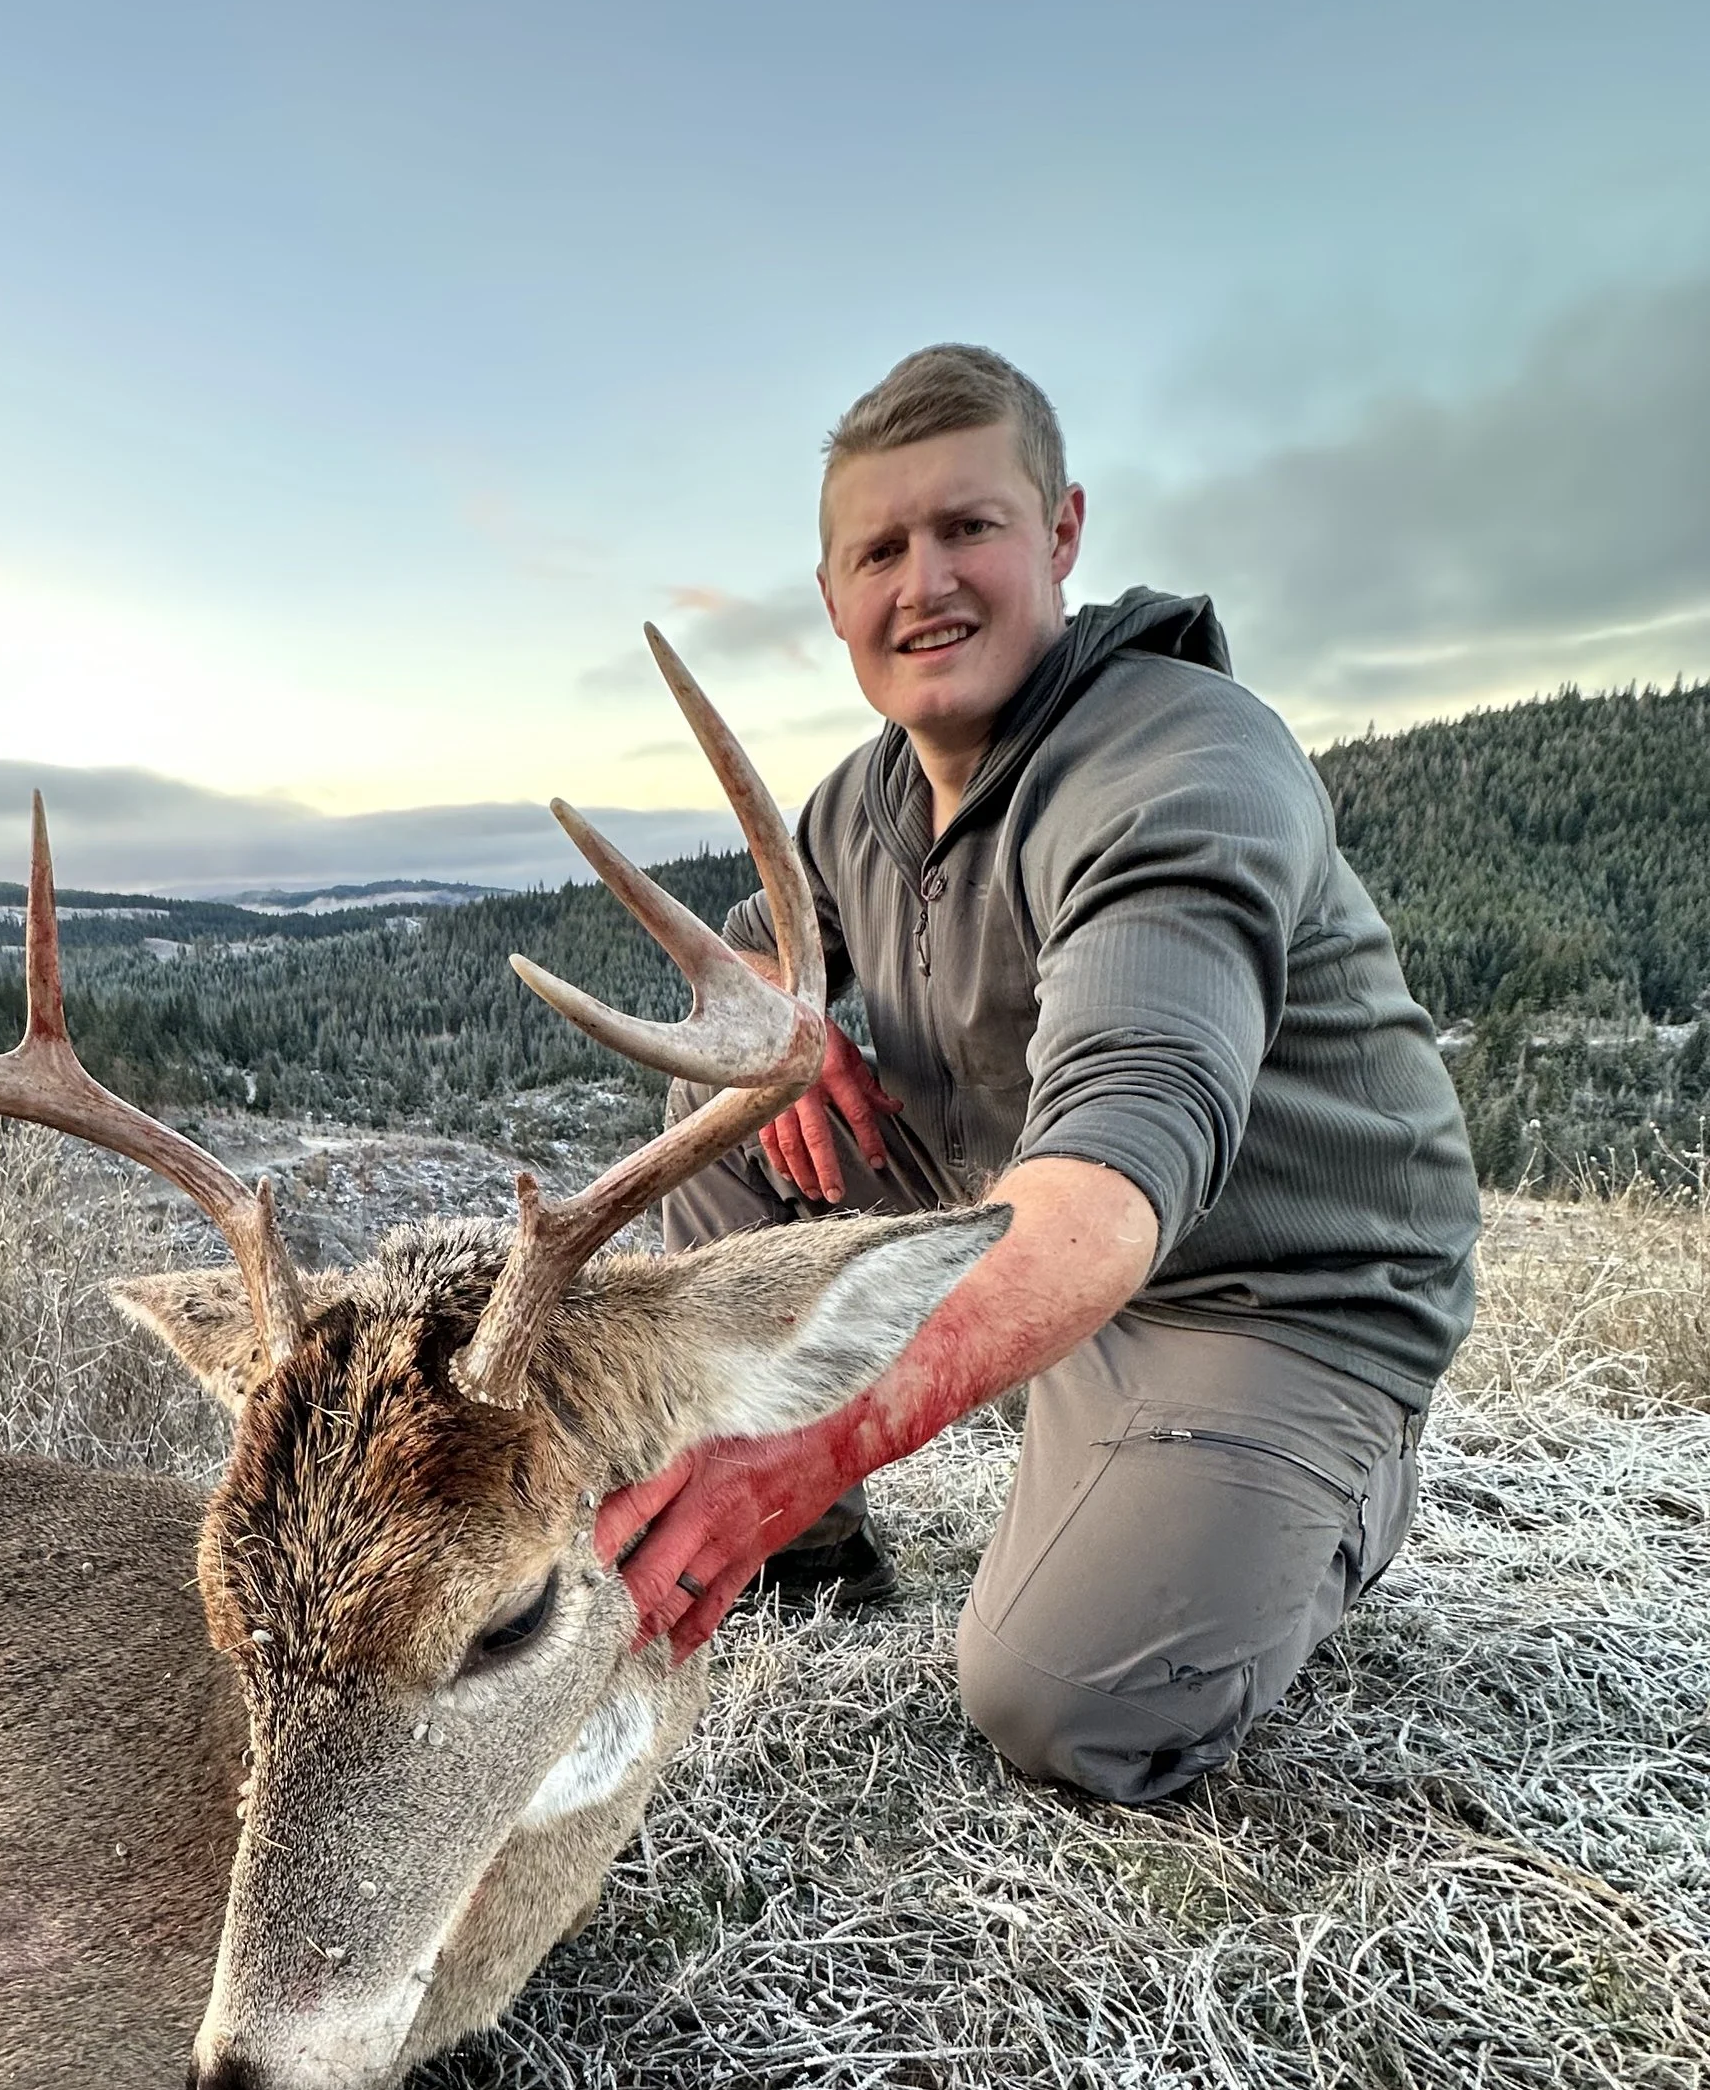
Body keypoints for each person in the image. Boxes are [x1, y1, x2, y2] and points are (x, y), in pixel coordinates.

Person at [600, 344, 1480, 1804]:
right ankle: (808, 1557)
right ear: (832, 599)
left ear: (1061, 533)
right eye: (879, 549)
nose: (922, 583)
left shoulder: (1180, 767)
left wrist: (812, 1440)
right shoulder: (863, 802)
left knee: (1067, 1702)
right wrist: (788, 1014)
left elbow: (1116, 1187)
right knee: (728, 1102)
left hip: (1262, 1292)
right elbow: (766, 939)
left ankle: (1335, 1479)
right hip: (1027, 1225)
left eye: (969, 529)